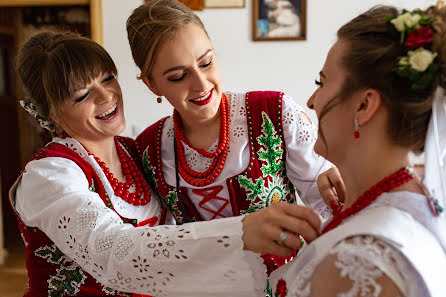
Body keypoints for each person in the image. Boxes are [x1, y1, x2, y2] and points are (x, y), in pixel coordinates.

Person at [9, 31, 322, 296]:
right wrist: (241, 231)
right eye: (82, 95)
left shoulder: (137, 153)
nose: (107, 97)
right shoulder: (49, 175)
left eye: (108, 79)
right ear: (49, 112)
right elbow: (113, 253)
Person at [268, 4, 446, 297]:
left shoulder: (359, 261)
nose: (311, 101)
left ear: (364, 106)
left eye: (321, 82)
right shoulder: (416, 195)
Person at [126, 0, 331, 233]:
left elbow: (332, 207)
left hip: (290, 269)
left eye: (206, 63)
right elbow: (157, 239)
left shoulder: (273, 113)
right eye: (178, 76)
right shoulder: (147, 150)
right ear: (152, 85)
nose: (201, 84)